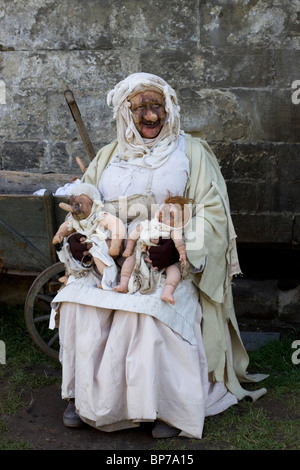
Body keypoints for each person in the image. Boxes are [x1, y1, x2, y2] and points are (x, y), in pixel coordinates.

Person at [50, 72, 267, 439]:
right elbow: (87, 206)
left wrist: (179, 251)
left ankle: (164, 405)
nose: (150, 117)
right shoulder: (107, 156)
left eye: (157, 107)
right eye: (140, 109)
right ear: (124, 114)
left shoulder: (192, 153)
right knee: (76, 303)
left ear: (170, 109)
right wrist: (82, 242)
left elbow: (214, 214)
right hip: (115, 254)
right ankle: (84, 396)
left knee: (149, 312)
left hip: (167, 261)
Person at [114, 195, 193, 305]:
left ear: (179, 224)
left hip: (165, 261)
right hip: (142, 256)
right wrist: (128, 248)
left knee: (174, 271)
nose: (163, 215)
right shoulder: (148, 224)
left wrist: (182, 253)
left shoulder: (173, 231)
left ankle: (168, 292)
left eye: (170, 216)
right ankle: (124, 284)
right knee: (129, 262)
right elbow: (133, 235)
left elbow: (179, 243)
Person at [52, 182, 126, 290]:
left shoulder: (99, 216)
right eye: (72, 203)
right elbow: (66, 226)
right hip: (84, 243)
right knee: (68, 251)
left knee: (99, 255)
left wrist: (115, 244)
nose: (74, 208)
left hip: (99, 243)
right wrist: (60, 234)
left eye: (79, 204)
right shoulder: (75, 220)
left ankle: (107, 280)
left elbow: (117, 225)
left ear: (93, 203)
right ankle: (69, 275)